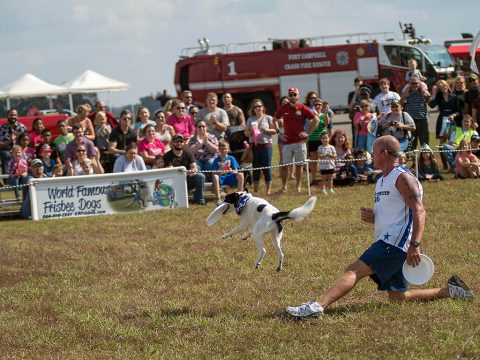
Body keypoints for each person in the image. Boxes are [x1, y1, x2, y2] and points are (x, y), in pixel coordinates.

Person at [286, 135, 474, 319]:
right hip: (389, 240)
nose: (371, 155)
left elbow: (419, 211)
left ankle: (317, 306)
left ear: (384, 153)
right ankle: (452, 291)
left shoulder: (403, 178)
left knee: (353, 270)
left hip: (394, 242)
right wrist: (375, 217)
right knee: (399, 297)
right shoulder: (382, 179)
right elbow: (396, 211)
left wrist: (414, 245)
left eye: (373, 151)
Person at [272, 87, 318, 193]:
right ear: (288, 96)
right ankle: (284, 187)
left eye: (294, 94)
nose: (292, 96)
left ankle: (298, 186)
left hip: (300, 142)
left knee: (299, 165)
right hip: (287, 142)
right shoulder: (283, 108)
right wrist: (279, 134)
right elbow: (274, 120)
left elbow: (316, 120)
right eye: (290, 94)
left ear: (298, 96)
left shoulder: (302, 107)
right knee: (284, 166)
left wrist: (308, 133)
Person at [163, 134, 206, 205]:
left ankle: (199, 200)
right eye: (176, 141)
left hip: (187, 180)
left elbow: (194, 167)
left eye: (181, 141)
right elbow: (171, 171)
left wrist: (193, 171)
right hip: (174, 182)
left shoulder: (188, 153)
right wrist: (186, 172)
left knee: (201, 176)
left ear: (183, 143)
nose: (179, 143)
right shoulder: (167, 156)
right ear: (172, 143)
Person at [244, 99, 274, 194]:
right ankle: (256, 189)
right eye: (255, 107)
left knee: (267, 168)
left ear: (263, 107)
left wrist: (265, 130)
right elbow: (246, 133)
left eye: (259, 106)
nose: (258, 108)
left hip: (266, 146)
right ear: (253, 109)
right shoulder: (250, 119)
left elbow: (274, 131)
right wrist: (252, 131)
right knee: (256, 168)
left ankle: (268, 189)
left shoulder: (268, 118)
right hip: (255, 146)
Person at [211, 140, 245, 205]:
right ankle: (218, 199)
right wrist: (219, 171)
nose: (223, 151)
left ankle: (239, 197)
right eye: (221, 149)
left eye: (225, 149)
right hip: (221, 177)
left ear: (228, 149)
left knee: (241, 174)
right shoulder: (216, 159)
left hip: (230, 177)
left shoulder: (231, 158)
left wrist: (231, 170)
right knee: (215, 177)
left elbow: (236, 171)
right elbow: (213, 173)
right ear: (219, 150)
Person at [307, 98, 329, 185]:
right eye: (316, 105)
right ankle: (314, 178)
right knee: (314, 160)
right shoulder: (311, 115)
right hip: (313, 139)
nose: (317, 106)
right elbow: (311, 124)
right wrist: (316, 116)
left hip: (322, 140)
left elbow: (327, 123)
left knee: (324, 159)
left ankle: (326, 177)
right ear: (313, 106)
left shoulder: (324, 115)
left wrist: (325, 114)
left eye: (319, 105)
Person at [0, 108, 27, 176]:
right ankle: (7, 179)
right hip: (7, 151)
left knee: (24, 155)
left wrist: (22, 151)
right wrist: (10, 140)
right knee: (5, 155)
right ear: (7, 116)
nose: (13, 117)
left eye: (14, 115)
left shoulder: (22, 127)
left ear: (17, 116)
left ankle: (24, 177)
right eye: (11, 115)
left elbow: (27, 142)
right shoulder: (2, 128)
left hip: (20, 150)